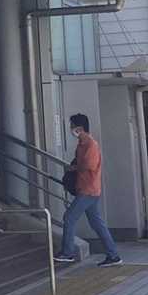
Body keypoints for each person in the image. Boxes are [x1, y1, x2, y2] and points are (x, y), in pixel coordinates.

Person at [53, 114, 122, 267]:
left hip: (88, 190)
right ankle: (113, 255)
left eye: (72, 126)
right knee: (97, 224)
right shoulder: (82, 144)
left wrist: (74, 168)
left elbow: (89, 165)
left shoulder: (91, 144)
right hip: (88, 189)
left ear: (80, 128)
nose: (71, 129)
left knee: (69, 217)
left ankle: (68, 252)